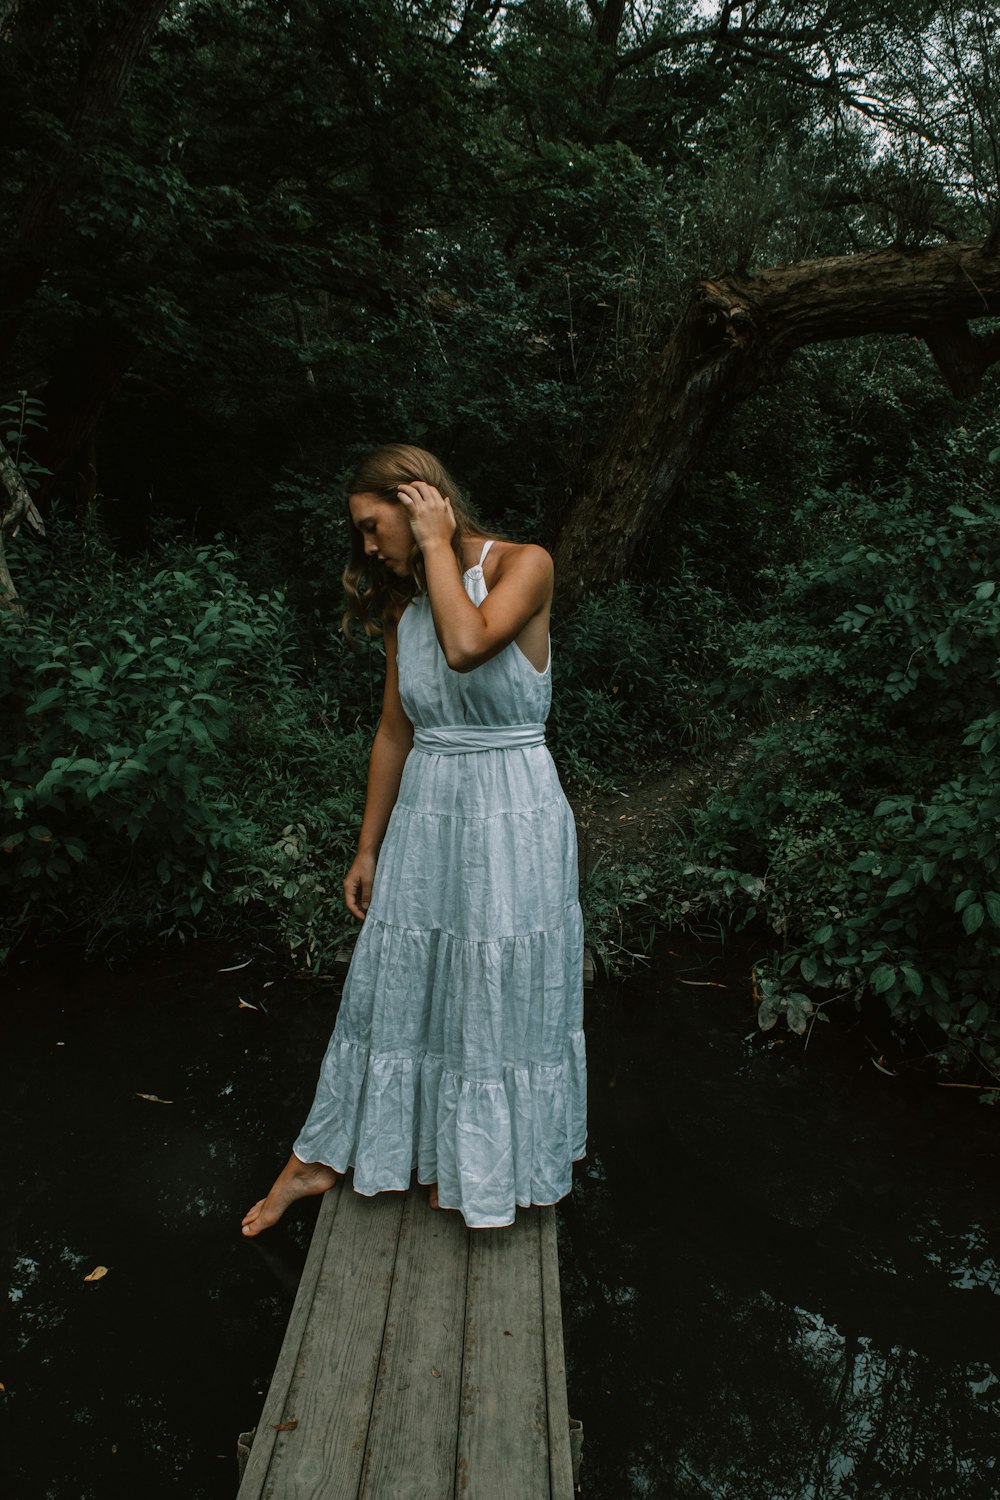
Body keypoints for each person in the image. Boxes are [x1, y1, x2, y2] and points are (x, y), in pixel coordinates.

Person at [241, 444, 586, 1232]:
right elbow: (396, 732)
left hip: (510, 811)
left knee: (493, 985)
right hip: (431, 808)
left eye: (372, 526)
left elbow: (468, 649)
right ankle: (319, 1156)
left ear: (418, 500)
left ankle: (476, 1162)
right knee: (400, 984)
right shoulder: (407, 609)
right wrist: (367, 848)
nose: (368, 548)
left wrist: (437, 544)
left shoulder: (524, 566)